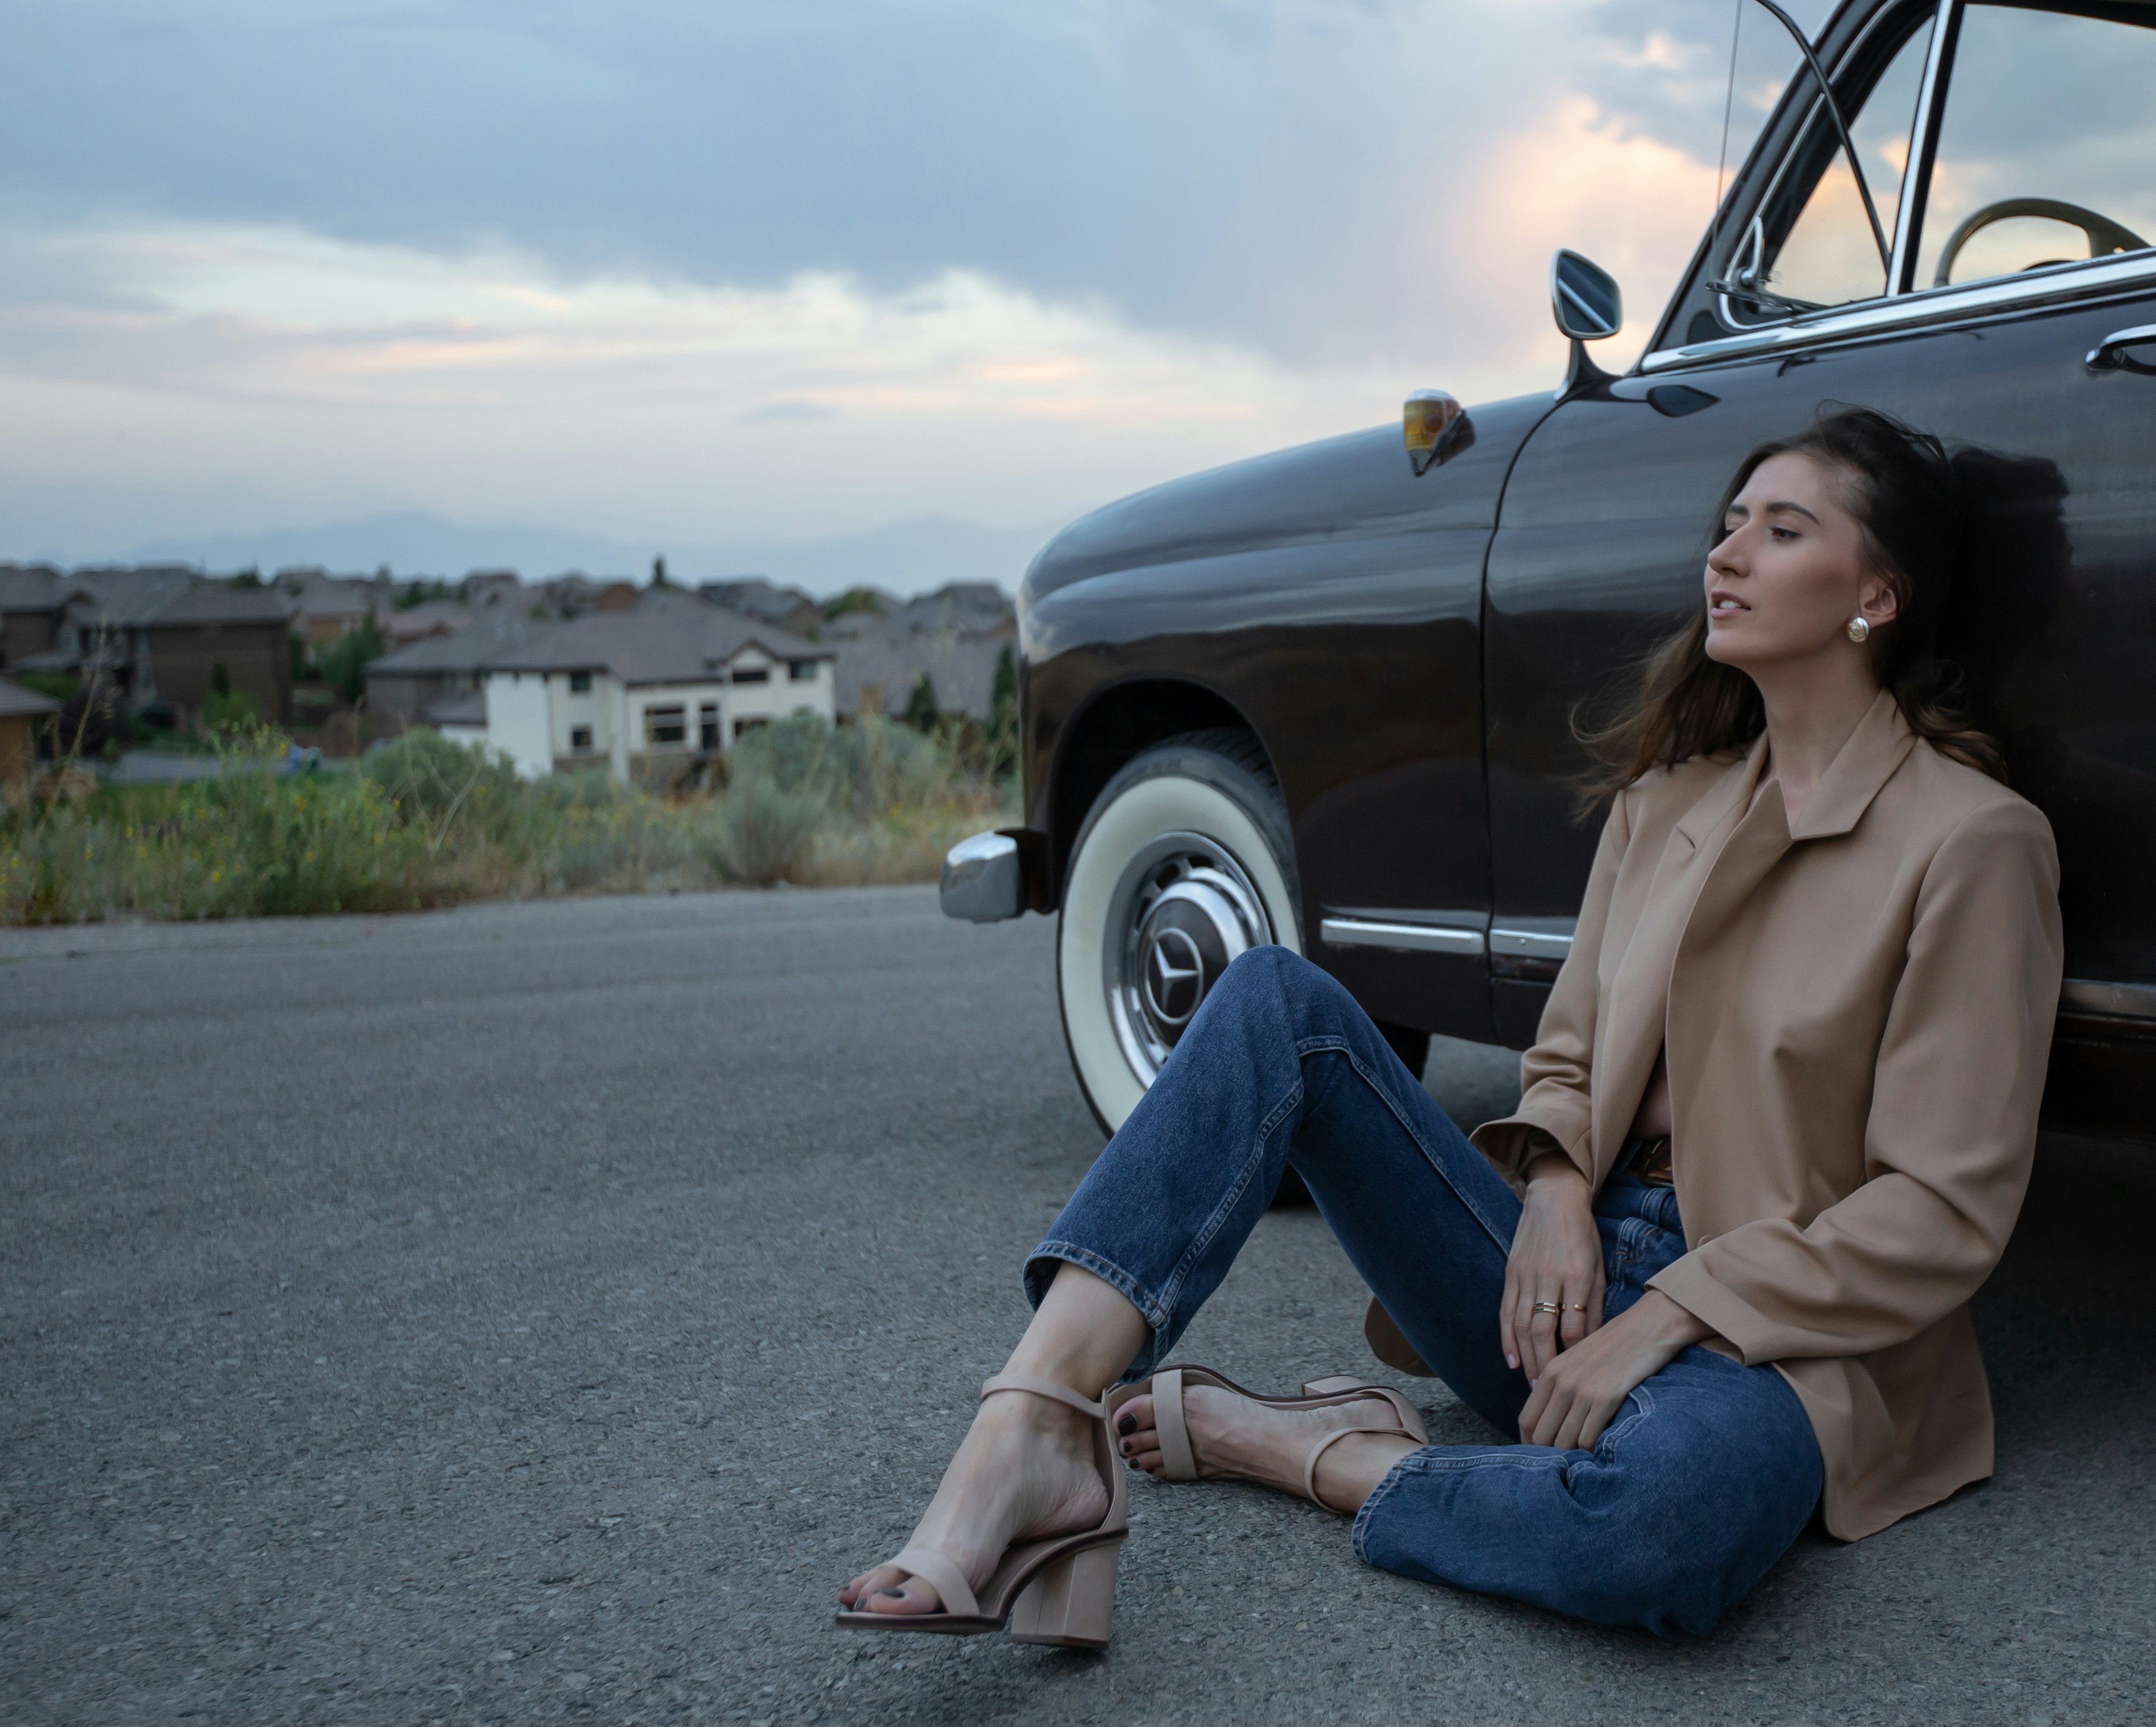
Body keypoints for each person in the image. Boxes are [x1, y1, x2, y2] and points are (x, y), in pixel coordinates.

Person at [837, 405, 2063, 1642]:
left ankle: (1307, 1448)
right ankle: (1032, 1427)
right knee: (1274, 1001)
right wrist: (1555, 1193)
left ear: (1876, 597)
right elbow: (1570, 1051)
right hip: (1559, 1280)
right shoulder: (1669, 799)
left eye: (1782, 529)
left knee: (1668, 1524)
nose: (1727, 554)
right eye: (1728, 523)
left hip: (1777, 1334)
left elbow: (1939, 1207)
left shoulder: (1970, 842)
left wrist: (1671, 1311)